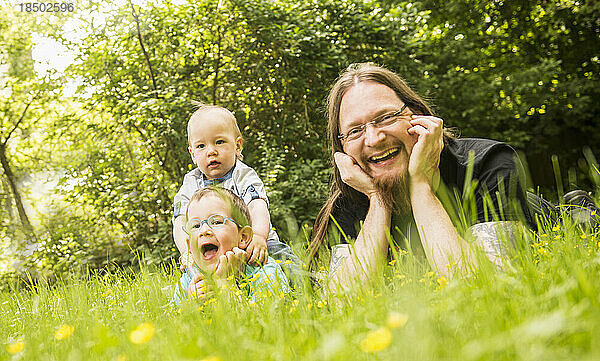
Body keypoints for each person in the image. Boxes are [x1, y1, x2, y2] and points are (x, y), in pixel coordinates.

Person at [309, 63, 598, 290]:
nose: (372, 139)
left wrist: (420, 184)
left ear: (418, 116)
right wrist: (377, 199)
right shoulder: (351, 196)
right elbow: (343, 299)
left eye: (385, 117)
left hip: (543, 216)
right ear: (342, 147)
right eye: (355, 130)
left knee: (582, 224)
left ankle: (579, 207)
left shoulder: (486, 161)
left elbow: (484, 282)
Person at [173, 104, 299, 270]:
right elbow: (180, 221)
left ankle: (312, 284)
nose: (211, 151)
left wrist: (259, 236)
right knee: (195, 280)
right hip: (214, 251)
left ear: (237, 146)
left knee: (285, 264)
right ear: (193, 154)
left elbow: (257, 206)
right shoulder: (191, 183)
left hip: (254, 244)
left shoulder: (242, 175)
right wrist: (187, 251)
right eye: (201, 146)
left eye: (219, 142)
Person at [173, 186, 290, 305]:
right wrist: (192, 305)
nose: (204, 230)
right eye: (195, 226)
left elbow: (267, 317)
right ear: (189, 246)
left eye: (216, 222)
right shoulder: (189, 280)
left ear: (243, 237)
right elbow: (171, 319)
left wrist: (226, 284)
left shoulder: (264, 271)